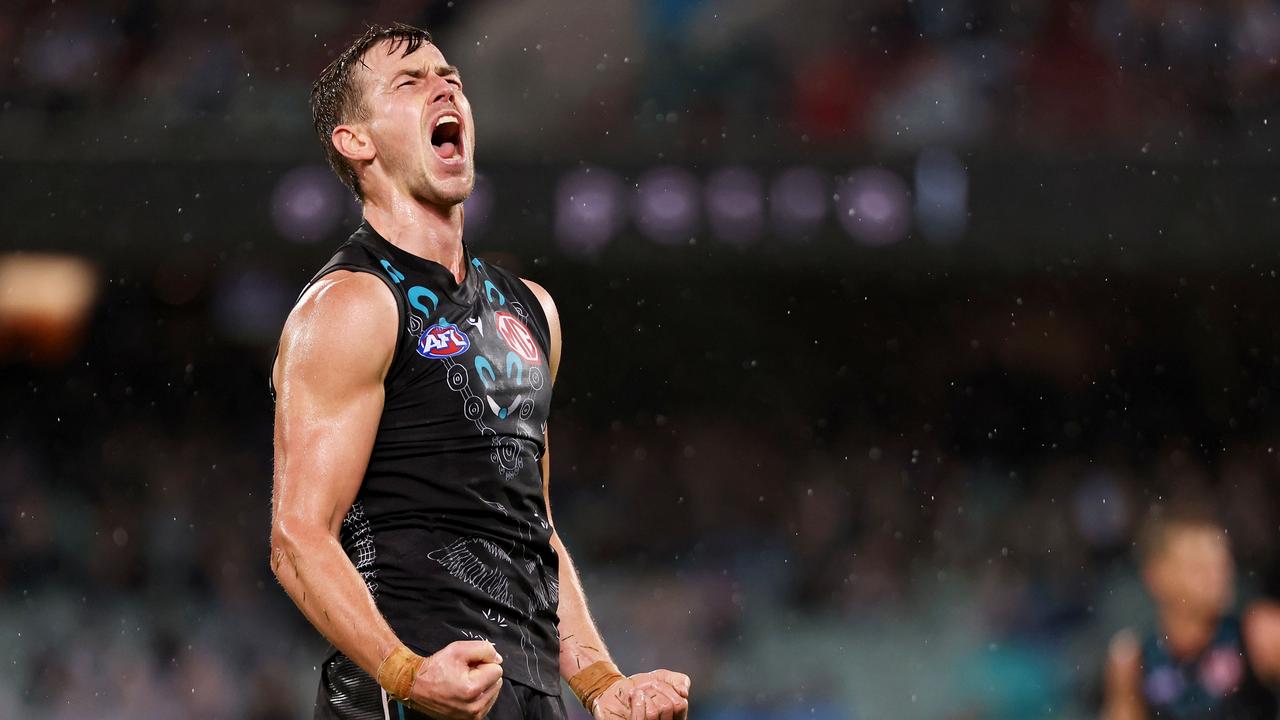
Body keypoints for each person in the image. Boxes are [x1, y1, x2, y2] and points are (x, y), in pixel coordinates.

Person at [269, 23, 691, 720]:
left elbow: (534, 530)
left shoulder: (532, 314)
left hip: (526, 696)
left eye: (452, 79)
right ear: (357, 141)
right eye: (410, 82)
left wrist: (601, 684)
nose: (445, 87)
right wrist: (407, 673)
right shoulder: (352, 304)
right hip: (403, 693)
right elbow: (298, 538)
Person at [1102, 503, 1280, 720]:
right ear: (1156, 575)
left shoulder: (1260, 632)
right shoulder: (1132, 660)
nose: (1217, 577)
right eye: (1200, 567)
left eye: (1222, 564)